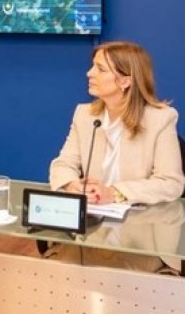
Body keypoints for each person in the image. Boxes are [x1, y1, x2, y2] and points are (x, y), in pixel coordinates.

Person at [50, 41, 184, 206]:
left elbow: (170, 183)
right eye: (93, 66)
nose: (89, 73)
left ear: (125, 82)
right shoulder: (85, 115)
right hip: (93, 216)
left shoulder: (160, 119)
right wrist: (72, 185)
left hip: (141, 218)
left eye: (101, 69)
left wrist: (114, 193)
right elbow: (63, 164)